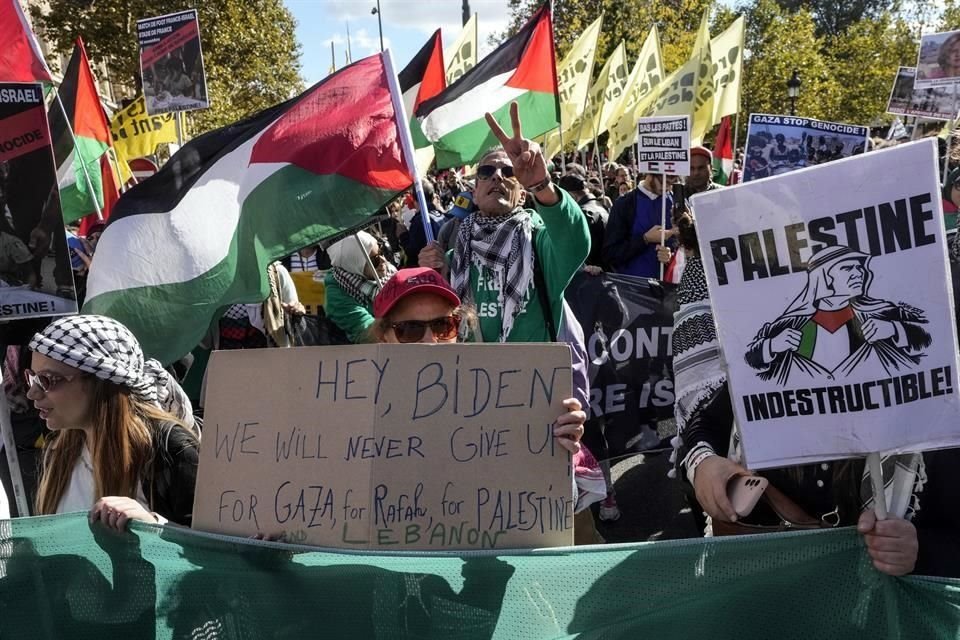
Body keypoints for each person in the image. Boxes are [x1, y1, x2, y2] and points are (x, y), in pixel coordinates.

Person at [370, 266, 605, 542]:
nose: (429, 342)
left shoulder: (503, 394)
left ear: (457, 327)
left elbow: (558, 510)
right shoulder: (355, 404)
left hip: (503, 557)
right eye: (410, 330)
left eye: (442, 326)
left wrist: (559, 453)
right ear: (384, 336)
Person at [419, 103, 590, 344]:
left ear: (522, 195)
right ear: (475, 193)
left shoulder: (540, 247)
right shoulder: (452, 259)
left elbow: (575, 242)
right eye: (486, 171)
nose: (497, 176)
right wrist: (431, 275)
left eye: (508, 171)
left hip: (533, 378)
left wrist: (542, 184)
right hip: (468, 377)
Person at [26, 315, 199, 529]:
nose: (32, 393)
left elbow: (214, 550)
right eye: (32, 378)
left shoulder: (168, 450)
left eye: (46, 380)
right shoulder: (60, 450)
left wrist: (153, 525)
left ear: (100, 381)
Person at [602, 172, 677, 278]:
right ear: (649, 175)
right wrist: (645, 239)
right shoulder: (624, 204)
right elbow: (610, 254)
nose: (668, 188)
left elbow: (683, 249)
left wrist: (670, 256)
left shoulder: (675, 203)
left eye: (671, 183)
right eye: (663, 182)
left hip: (667, 287)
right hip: (631, 286)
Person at [324, 230, 395, 343]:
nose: (383, 261)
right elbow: (369, 334)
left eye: (381, 252)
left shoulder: (391, 273)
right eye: (375, 260)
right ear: (354, 263)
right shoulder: (336, 296)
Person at [557, 173, 608, 270]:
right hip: (606, 274)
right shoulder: (603, 207)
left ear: (571, 196)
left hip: (592, 275)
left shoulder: (582, 214)